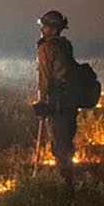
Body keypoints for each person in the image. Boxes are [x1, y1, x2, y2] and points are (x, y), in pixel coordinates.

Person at [35, 10, 80, 194]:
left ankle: (66, 186)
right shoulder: (65, 45)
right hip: (70, 102)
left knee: (60, 145)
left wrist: (42, 101)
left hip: (57, 103)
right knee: (67, 143)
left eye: (44, 26)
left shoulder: (47, 48)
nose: (42, 29)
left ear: (52, 29)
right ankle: (67, 181)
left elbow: (45, 77)